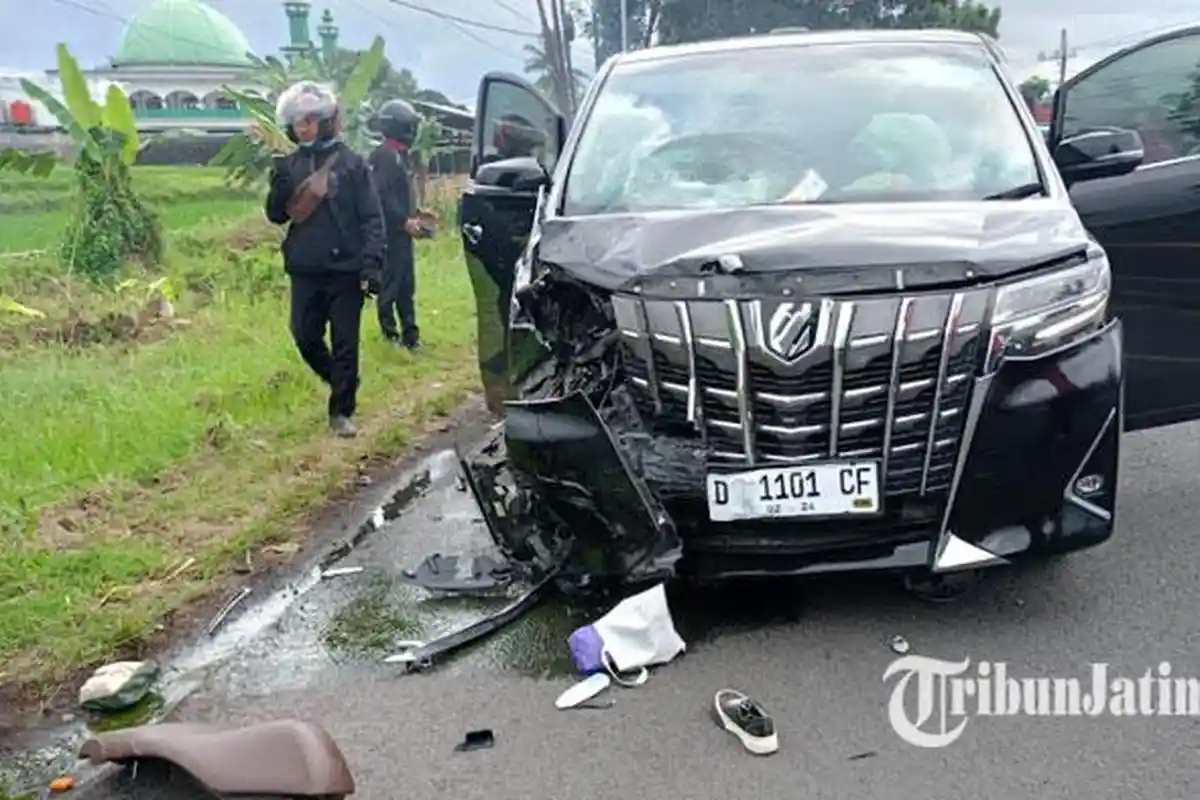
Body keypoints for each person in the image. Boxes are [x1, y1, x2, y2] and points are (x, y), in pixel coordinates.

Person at [265, 81, 386, 439]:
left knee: (346, 340)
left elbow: (372, 217)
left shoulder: (352, 165)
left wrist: (372, 263)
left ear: (326, 120)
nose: (302, 129)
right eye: (297, 123)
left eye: (309, 121)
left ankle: (341, 411)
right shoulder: (289, 164)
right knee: (304, 335)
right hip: (305, 268)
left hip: (345, 270)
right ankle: (341, 380)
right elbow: (276, 216)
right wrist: (279, 188)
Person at [368, 99, 428, 350]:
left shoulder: (401, 155)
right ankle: (390, 335)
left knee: (406, 286)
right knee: (390, 286)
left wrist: (417, 213)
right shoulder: (385, 156)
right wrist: (403, 220)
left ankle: (411, 336)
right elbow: (382, 196)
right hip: (389, 234)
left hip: (402, 233)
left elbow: (400, 193)